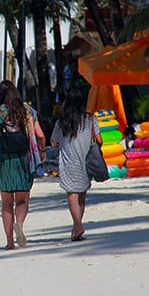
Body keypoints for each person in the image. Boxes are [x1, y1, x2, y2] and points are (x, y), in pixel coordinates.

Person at [0, 81, 35, 249]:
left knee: (6, 203)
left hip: (3, 158)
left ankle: (9, 242)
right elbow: (40, 134)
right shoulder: (25, 111)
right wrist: (41, 151)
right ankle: (19, 225)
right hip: (22, 157)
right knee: (22, 200)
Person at [50, 88, 103, 242]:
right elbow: (99, 140)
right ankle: (76, 228)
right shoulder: (90, 119)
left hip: (68, 162)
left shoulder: (61, 122)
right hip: (85, 161)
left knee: (72, 196)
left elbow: (54, 142)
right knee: (81, 196)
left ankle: (77, 226)